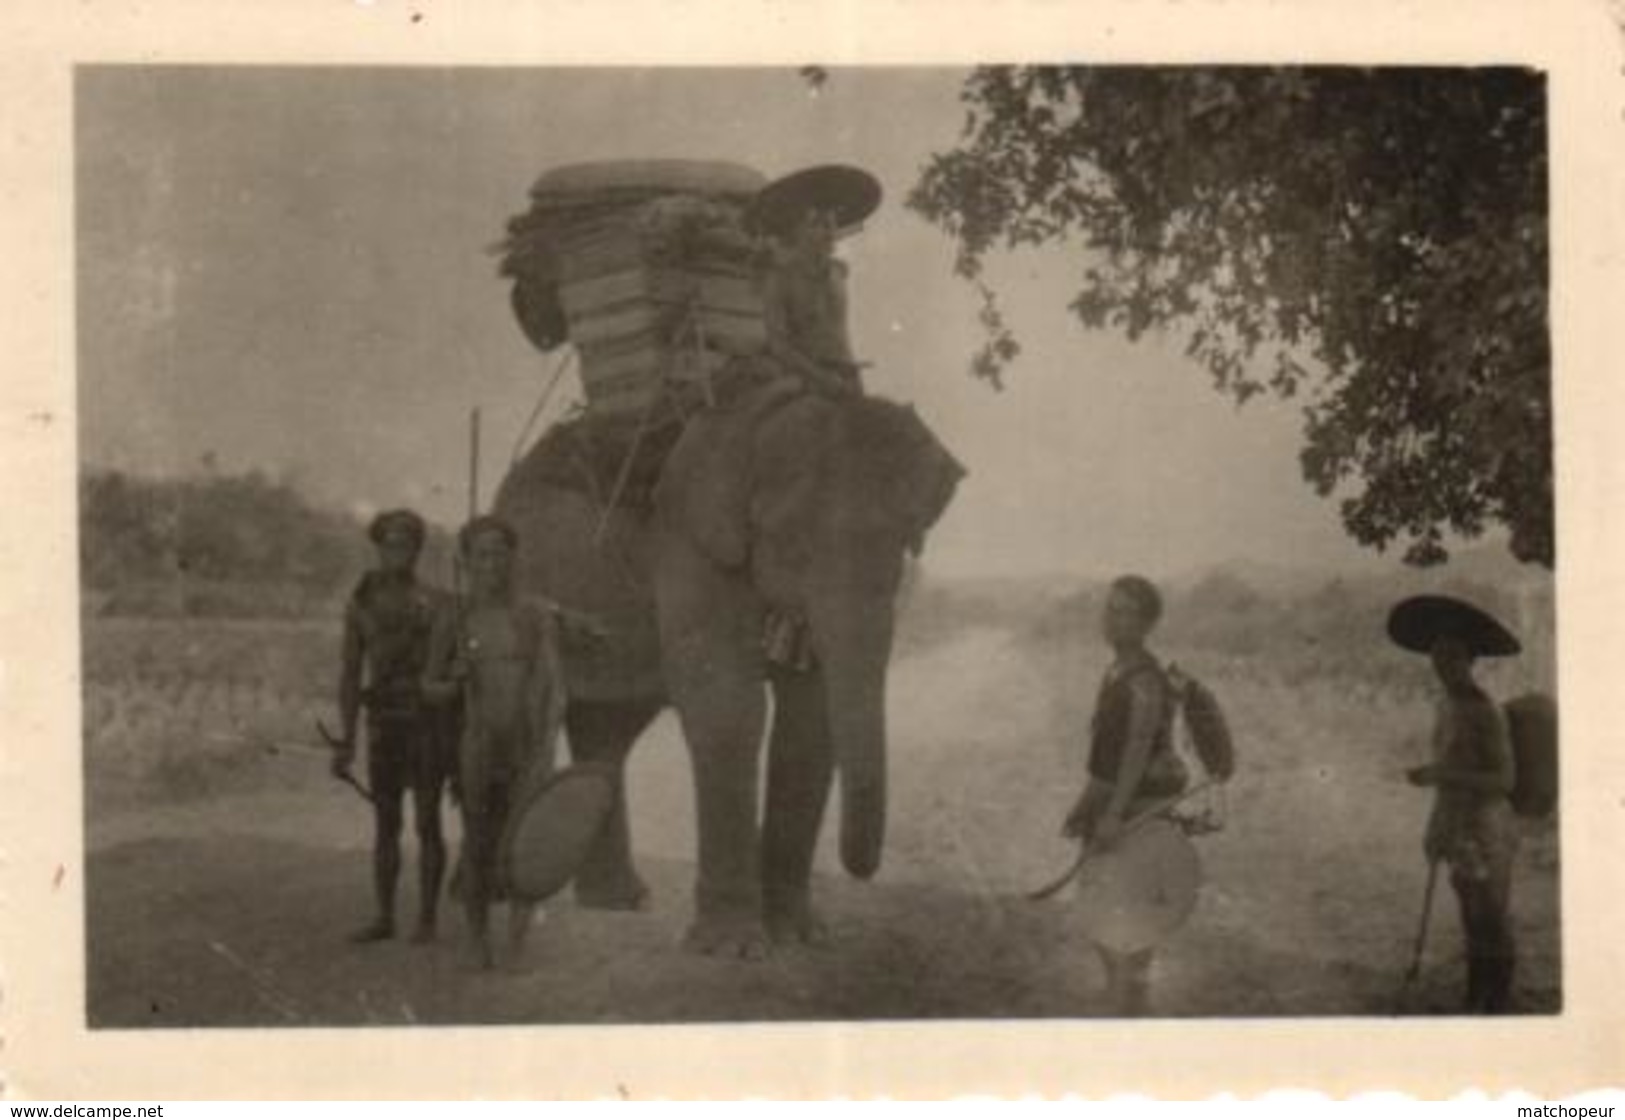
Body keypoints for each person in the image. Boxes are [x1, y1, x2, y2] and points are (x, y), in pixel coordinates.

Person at [422, 514, 566, 970]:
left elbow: (553, 684)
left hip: (526, 745)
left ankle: (516, 945)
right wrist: (452, 680)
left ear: (512, 559)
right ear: (467, 561)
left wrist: (546, 744)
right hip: (478, 743)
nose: (492, 563)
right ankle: (479, 941)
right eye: (482, 554)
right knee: (479, 841)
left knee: (524, 841)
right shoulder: (455, 618)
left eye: (500, 554)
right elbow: (429, 684)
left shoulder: (533, 616)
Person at [1061, 575, 1191, 1016]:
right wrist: (1086, 804)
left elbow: (1135, 752)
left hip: (1138, 807)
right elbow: (1104, 757)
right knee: (1101, 903)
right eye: (1108, 608)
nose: (1111, 620)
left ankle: (1133, 1002)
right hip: (1113, 800)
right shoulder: (1115, 671)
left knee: (1129, 907)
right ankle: (1126, 995)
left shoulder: (1146, 680)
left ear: (1147, 623)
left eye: (1124, 612)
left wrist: (1113, 816)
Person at [1388, 594, 1522, 1013]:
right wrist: (1435, 826)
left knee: (1491, 919)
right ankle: (1475, 995)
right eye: (1436, 656)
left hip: (1489, 828)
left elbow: (1504, 780)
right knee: (1469, 916)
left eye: (1452, 657)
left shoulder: (1487, 712)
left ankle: (1497, 1005)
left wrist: (1440, 775)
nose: (1442, 665)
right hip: (1459, 827)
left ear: (1469, 660)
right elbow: (1448, 770)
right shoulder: (1446, 706)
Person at [333, 508, 452, 945]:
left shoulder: (437, 602)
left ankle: (426, 920)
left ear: (417, 550)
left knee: (427, 822)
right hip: (383, 723)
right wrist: (346, 740)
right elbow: (350, 673)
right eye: (389, 543)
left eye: (406, 543)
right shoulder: (361, 604)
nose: (397, 551)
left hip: (426, 724)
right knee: (386, 825)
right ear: (379, 547)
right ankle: (384, 917)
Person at [748, 163, 883, 399]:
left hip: (848, 376)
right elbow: (779, 345)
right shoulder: (779, 279)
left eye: (832, 225)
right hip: (800, 379)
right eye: (818, 224)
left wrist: (845, 379)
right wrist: (821, 379)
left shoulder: (839, 273)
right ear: (797, 231)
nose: (829, 233)